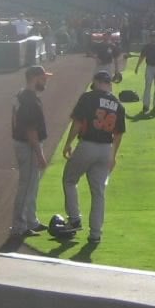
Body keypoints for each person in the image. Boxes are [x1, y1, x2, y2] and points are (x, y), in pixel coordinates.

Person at [59, 70, 126, 245]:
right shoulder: (118, 104)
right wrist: (113, 156)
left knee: (69, 180)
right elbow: (118, 135)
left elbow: (78, 123)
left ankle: (74, 220)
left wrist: (68, 143)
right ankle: (96, 234)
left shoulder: (88, 98)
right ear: (109, 83)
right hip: (106, 149)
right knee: (98, 193)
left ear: (96, 81)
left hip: (87, 145)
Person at [6, 64, 50, 247]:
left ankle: (31, 221)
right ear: (35, 78)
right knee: (26, 185)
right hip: (28, 146)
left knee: (32, 184)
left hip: (23, 143)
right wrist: (39, 153)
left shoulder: (21, 95)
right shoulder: (30, 100)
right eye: (43, 77)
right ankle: (19, 226)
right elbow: (31, 130)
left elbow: (14, 121)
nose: (45, 80)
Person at [133, 30, 155, 114]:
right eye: (152, 36)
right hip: (149, 67)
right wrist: (137, 67)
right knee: (148, 86)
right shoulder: (147, 47)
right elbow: (142, 57)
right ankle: (146, 105)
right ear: (150, 37)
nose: (153, 38)